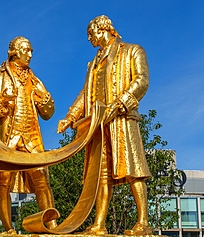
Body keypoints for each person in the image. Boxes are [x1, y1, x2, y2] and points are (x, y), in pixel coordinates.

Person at [57, 15, 152, 235]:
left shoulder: (132, 50)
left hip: (121, 119)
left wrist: (119, 105)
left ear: (103, 29)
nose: (90, 39)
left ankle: (143, 222)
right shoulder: (93, 64)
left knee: (133, 169)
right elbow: (85, 93)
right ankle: (99, 224)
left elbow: (141, 81)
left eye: (91, 34)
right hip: (97, 125)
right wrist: (70, 116)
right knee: (100, 175)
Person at [0, 36, 57, 234]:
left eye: (31, 51)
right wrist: (0, 103)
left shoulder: (35, 80)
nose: (30, 55)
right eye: (26, 50)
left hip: (32, 136)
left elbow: (48, 114)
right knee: (2, 181)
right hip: (6, 137)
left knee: (42, 179)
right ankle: (7, 227)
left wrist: (44, 94)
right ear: (14, 52)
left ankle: (52, 226)